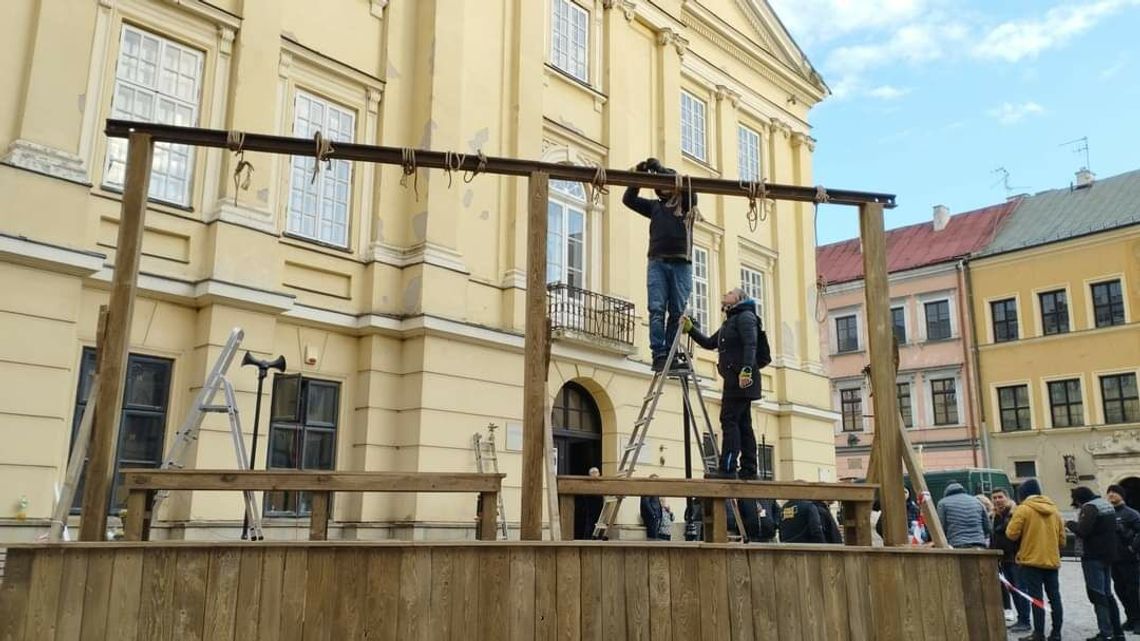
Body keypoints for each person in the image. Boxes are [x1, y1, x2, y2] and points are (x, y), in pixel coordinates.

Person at [682, 288, 771, 479]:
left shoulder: (746, 317)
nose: (725, 294)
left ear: (738, 299)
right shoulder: (730, 323)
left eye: (729, 292)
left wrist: (746, 371)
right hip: (735, 380)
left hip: (741, 380)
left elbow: (751, 344)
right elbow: (708, 343)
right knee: (743, 423)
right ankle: (749, 468)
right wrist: (691, 329)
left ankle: (728, 468)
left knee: (729, 420)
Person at [624, 158, 697, 372]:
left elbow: (688, 191)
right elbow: (629, 199)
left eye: (667, 182)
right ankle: (659, 354)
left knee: (676, 312)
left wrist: (660, 169)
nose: (663, 187)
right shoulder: (654, 207)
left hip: (681, 263)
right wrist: (639, 174)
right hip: (657, 262)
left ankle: (671, 353)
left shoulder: (686, 203)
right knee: (656, 310)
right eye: (659, 183)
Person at [1006, 478, 1065, 641]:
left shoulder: (1023, 509)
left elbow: (1011, 534)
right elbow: (1062, 540)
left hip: (1031, 561)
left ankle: (1039, 634)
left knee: (1036, 598)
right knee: (1055, 597)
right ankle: (1056, 633)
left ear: (1022, 494)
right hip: (1052, 561)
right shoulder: (1054, 510)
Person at [1069, 486, 1125, 640]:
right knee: (1108, 594)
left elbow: (1082, 530)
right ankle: (1118, 632)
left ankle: (1105, 633)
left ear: (1079, 499)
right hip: (1108, 555)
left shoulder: (1090, 507)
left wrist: (1069, 524)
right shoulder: (1106, 504)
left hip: (1093, 555)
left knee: (1097, 595)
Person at [992, 487, 1031, 633]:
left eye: (1000, 497)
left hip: (1016, 557)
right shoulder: (996, 515)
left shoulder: (1014, 512)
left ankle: (1025, 621)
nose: (997, 500)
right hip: (1004, 558)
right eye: (994, 498)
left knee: (1021, 589)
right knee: (1013, 590)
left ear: (1007, 498)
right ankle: (1021, 619)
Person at [1107, 484, 1140, 632]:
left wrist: (1133, 548)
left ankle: (1138, 620)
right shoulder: (1108, 514)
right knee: (1119, 589)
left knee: (1132, 590)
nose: (1111, 495)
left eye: (1115, 492)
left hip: (1129, 559)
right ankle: (1130, 617)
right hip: (1114, 558)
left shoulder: (1131, 514)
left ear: (1122, 495)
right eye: (1109, 492)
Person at [936, 482, 991, 549]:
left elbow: (940, 526)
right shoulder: (977, 501)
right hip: (979, 543)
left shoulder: (942, 503)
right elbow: (987, 526)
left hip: (957, 543)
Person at [639, 475, 673, 541]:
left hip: (657, 516)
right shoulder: (647, 489)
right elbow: (646, 503)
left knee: (656, 536)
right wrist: (653, 514)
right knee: (653, 537)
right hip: (651, 517)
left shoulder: (655, 489)